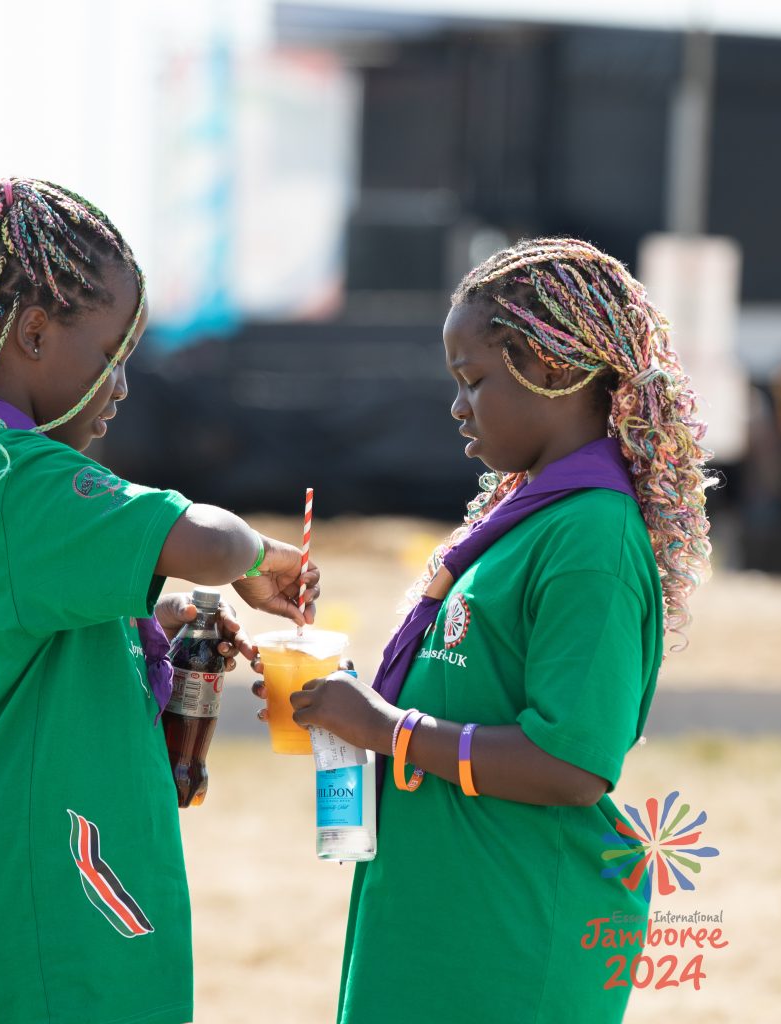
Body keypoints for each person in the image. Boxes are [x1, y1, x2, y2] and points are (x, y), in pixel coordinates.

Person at [0, 177, 320, 1024]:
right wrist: (258, 556)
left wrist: (143, 634)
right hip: (50, 898)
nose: (124, 389)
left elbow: (12, 642)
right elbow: (204, 541)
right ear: (32, 334)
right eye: (110, 357)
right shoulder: (15, 477)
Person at [268, 238, 713, 1023]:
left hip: (510, 937)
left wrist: (389, 731)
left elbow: (570, 763)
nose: (457, 406)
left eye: (473, 381)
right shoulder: (525, 521)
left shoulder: (592, 538)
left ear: (547, 367)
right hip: (445, 916)